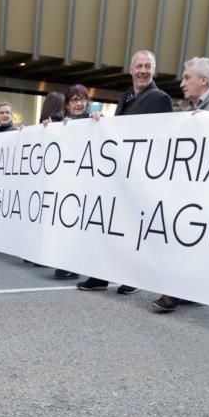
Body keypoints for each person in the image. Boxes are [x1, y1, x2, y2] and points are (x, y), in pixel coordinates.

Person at [76, 50, 172, 295]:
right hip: (120, 176)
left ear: (154, 70)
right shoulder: (125, 97)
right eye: (139, 66)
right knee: (110, 226)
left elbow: (163, 138)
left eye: (147, 66)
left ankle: (133, 276)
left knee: (133, 228)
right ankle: (101, 275)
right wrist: (101, 122)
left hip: (141, 177)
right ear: (131, 69)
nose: (142, 71)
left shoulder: (161, 98)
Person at [151, 56, 209, 312]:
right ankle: (171, 294)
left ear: (204, 80)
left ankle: (182, 292)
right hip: (185, 190)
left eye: (187, 77)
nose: (182, 83)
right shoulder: (184, 108)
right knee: (179, 241)